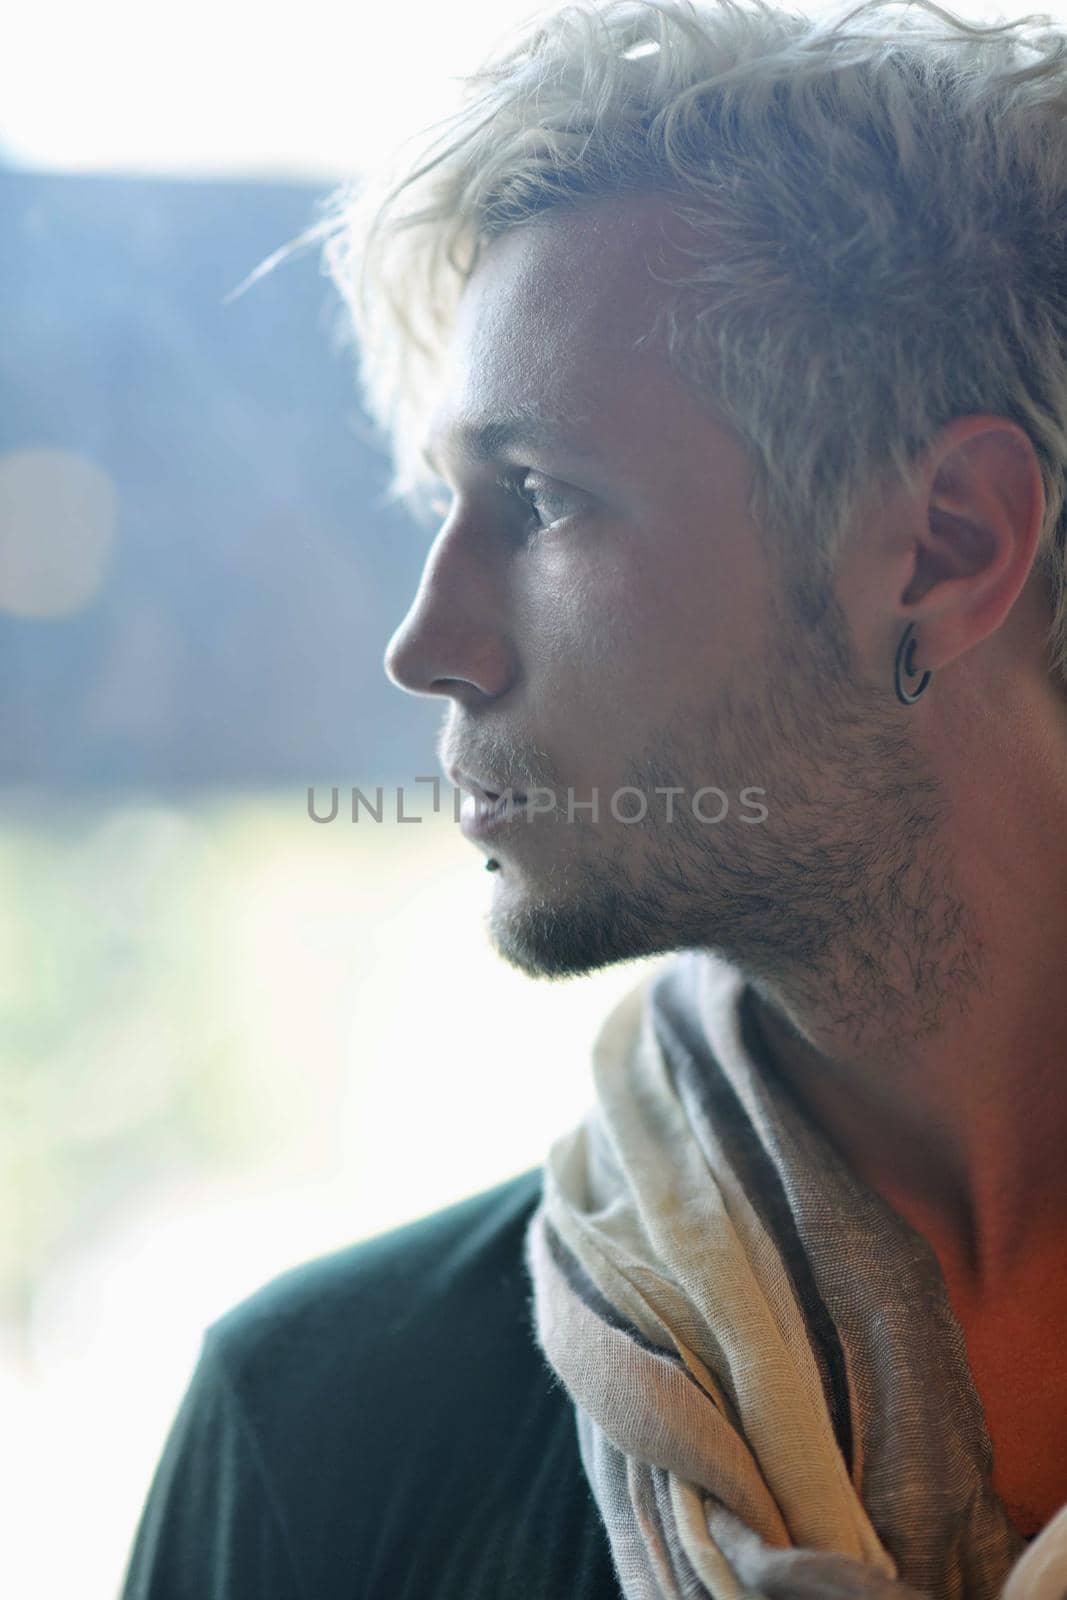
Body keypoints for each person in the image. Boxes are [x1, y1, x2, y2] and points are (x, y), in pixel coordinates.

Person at [121, 1, 1067, 1595]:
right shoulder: (330, 1438)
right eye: (446, 505)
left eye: (541, 499)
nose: (430, 647)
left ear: (948, 547)